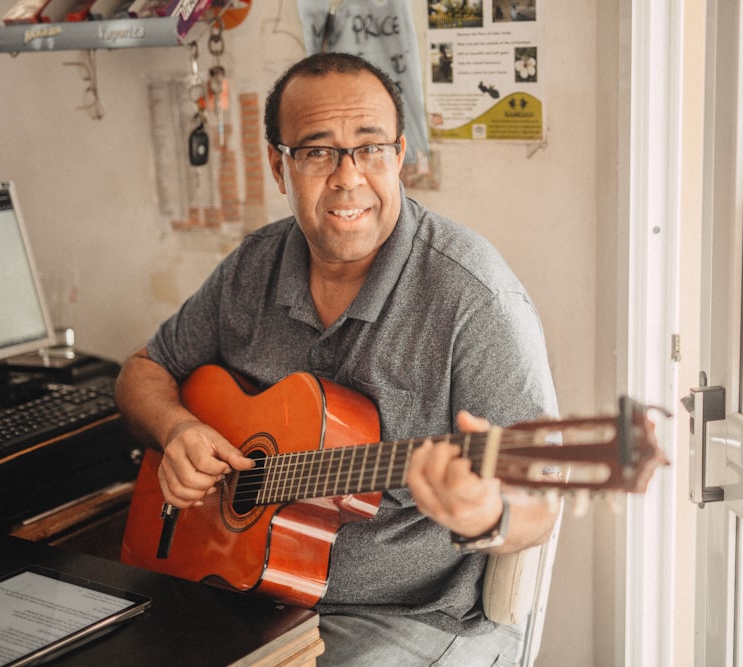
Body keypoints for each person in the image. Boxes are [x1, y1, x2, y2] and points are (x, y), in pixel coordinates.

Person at [115, 51, 561, 666]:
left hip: (408, 618)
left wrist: (490, 514)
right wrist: (178, 427)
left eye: (371, 148)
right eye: (318, 151)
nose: (348, 177)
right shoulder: (254, 267)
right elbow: (143, 370)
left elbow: (541, 498)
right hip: (243, 590)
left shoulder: (475, 300)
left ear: (400, 156)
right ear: (279, 165)